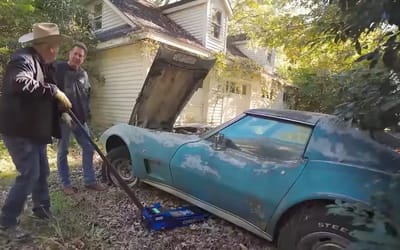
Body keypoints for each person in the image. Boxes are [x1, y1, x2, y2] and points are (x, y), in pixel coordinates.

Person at [0, 23, 72, 241]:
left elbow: (47, 94)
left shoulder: (45, 64)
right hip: (18, 129)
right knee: (29, 174)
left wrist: (61, 111)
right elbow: (20, 82)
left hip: (34, 129)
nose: (57, 50)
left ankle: (42, 209)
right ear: (49, 47)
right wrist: (53, 91)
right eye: (56, 46)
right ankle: (6, 222)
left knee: (42, 172)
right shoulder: (22, 59)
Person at [55, 42, 106, 195]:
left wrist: (86, 113)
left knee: (89, 148)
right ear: (70, 53)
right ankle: (66, 184)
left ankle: (89, 181)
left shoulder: (83, 74)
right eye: (75, 54)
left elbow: (86, 94)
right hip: (63, 119)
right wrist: (60, 112)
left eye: (81, 56)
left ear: (83, 59)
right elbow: (52, 92)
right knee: (62, 151)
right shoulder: (58, 69)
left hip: (80, 119)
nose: (77, 57)